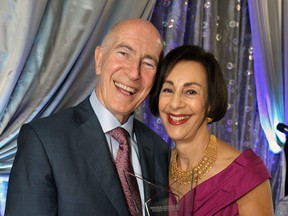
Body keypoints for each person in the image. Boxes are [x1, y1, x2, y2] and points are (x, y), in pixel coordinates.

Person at [5, 18, 170, 216]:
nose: (134, 72)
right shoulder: (43, 141)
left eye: (148, 63)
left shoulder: (159, 149)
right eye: (124, 53)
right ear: (99, 59)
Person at [149, 45, 274, 215]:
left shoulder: (245, 176)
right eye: (168, 90)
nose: (175, 103)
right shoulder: (153, 167)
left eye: (190, 92)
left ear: (210, 103)